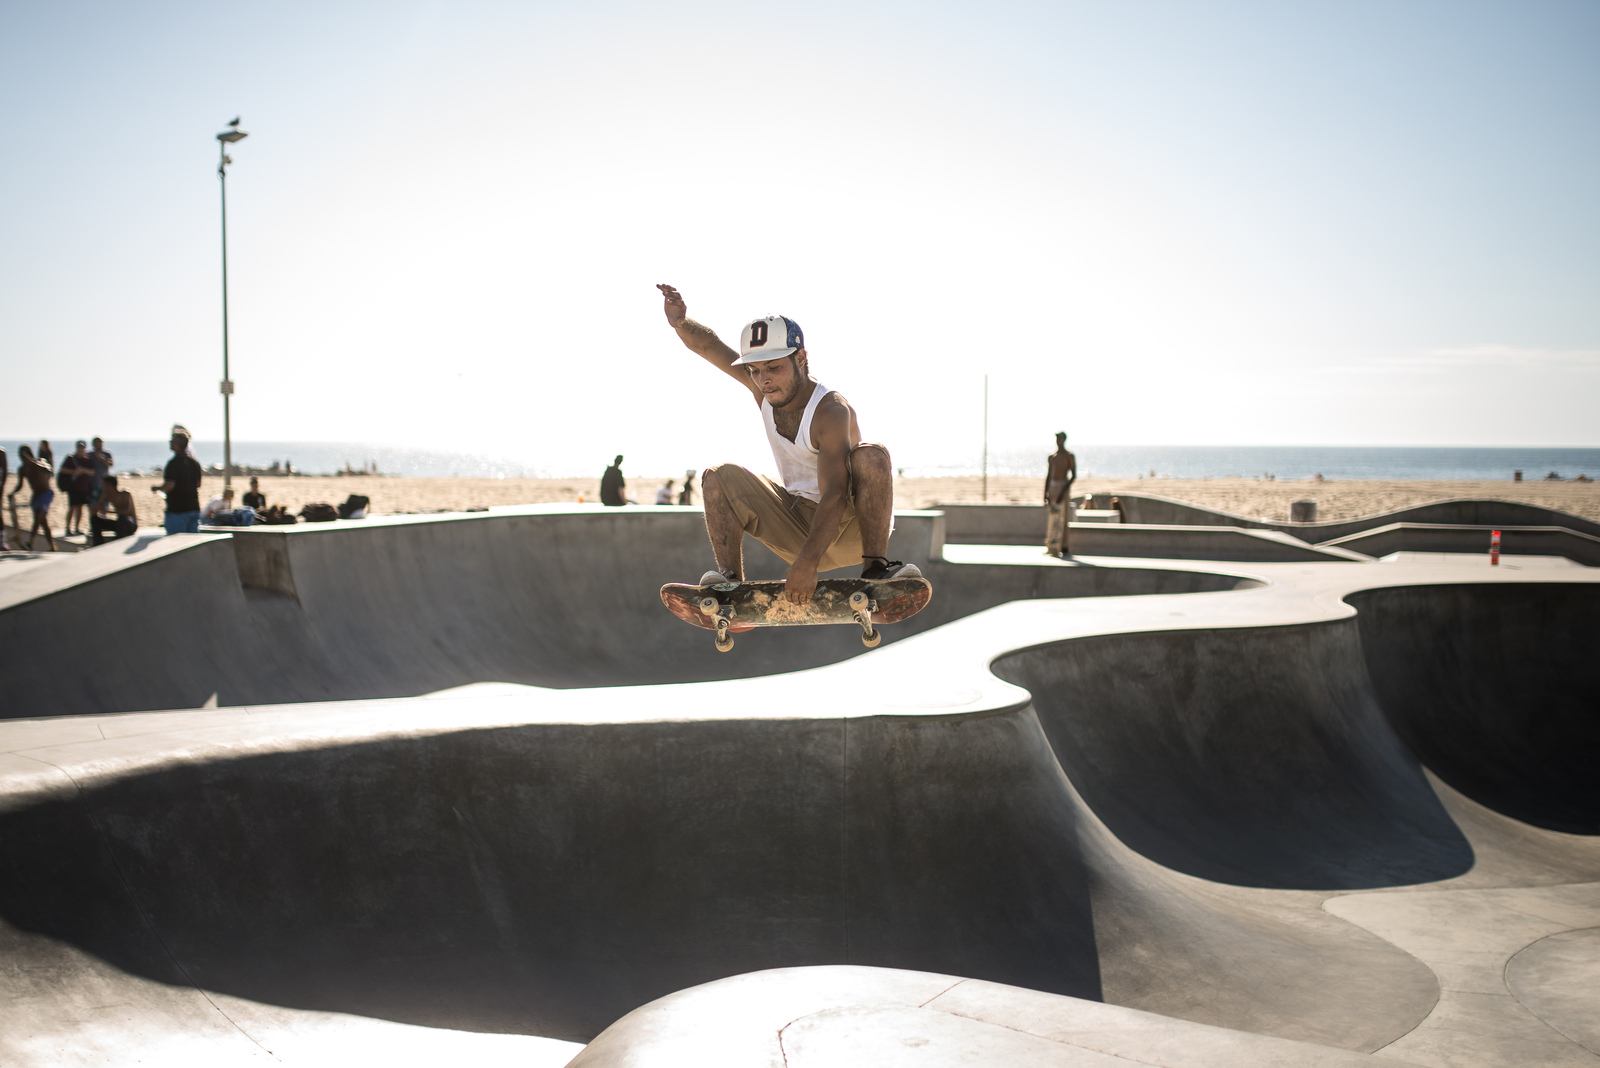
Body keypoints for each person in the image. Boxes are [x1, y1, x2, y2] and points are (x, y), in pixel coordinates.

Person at [657, 282, 918, 604]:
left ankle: (876, 570)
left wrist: (807, 563)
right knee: (718, 476)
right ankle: (730, 589)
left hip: (852, 530)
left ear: (801, 358)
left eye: (774, 368)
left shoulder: (830, 411)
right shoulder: (764, 391)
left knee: (871, 456)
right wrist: (681, 323)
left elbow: (835, 493)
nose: (764, 379)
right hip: (797, 524)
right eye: (754, 370)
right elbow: (710, 346)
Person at [156, 425, 204, 534]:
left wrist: (158, 488)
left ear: (177, 445)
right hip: (193, 508)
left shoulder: (173, 463)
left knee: (176, 541)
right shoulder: (194, 462)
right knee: (192, 542)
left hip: (177, 511)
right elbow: (198, 484)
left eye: (172, 441)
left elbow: (169, 485)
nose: (170, 442)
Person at [8, 445, 57, 551]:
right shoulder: (22, 469)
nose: (22, 458)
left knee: (39, 516)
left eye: (24, 456)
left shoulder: (39, 462)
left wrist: (31, 461)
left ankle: (30, 542)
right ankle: (52, 546)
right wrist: (13, 493)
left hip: (46, 494)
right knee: (43, 522)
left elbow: (48, 470)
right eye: (21, 456)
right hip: (36, 495)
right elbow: (20, 485)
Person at [1044, 431, 1077, 558]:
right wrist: (1045, 493)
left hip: (1063, 486)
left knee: (1063, 517)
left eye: (1060, 439)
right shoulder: (1052, 457)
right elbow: (1049, 475)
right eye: (1057, 439)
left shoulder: (1069, 456)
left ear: (1064, 440)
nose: (1058, 441)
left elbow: (1073, 475)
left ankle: (1063, 545)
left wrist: (1063, 490)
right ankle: (1051, 545)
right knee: (1053, 517)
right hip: (1053, 486)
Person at [90, 475, 138, 545]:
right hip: (119, 524)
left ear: (110, 485)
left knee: (122, 518)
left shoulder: (125, 494)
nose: (102, 487)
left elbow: (126, 512)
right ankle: (98, 543)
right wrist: (100, 504)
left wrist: (109, 512)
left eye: (104, 485)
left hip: (130, 524)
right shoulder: (107, 494)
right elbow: (96, 509)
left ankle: (119, 540)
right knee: (94, 519)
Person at [62, 440, 95, 536]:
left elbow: (92, 472)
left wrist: (83, 470)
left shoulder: (87, 460)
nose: (81, 449)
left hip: (84, 488)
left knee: (80, 508)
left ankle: (76, 528)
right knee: (72, 508)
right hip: (73, 488)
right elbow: (63, 470)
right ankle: (68, 528)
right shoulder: (70, 458)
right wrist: (74, 472)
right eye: (79, 448)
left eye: (82, 448)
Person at [88, 436, 114, 507]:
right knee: (93, 505)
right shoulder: (89, 455)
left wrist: (102, 459)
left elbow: (111, 465)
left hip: (105, 485)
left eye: (100, 443)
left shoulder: (107, 454)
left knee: (104, 506)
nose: (99, 445)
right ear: (93, 444)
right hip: (92, 484)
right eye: (96, 443)